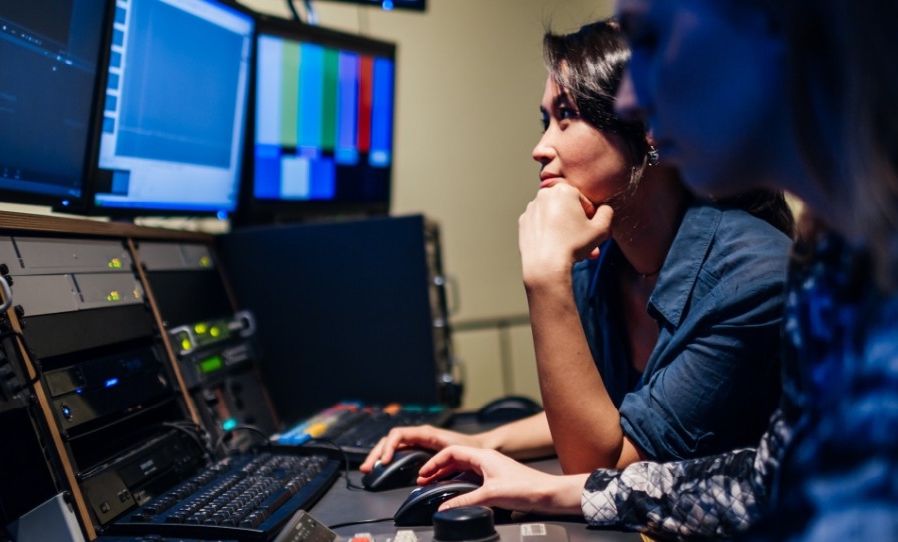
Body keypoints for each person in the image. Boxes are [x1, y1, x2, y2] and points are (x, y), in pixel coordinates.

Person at [417, 0, 898, 540]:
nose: (633, 97)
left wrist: (544, 276)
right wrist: (503, 456)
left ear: (772, 24)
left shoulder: (767, 271)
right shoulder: (831, 253)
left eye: (654, 39)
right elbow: (769, 480)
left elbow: (604, 453)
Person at [362, 19, 794, 478]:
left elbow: (599, 467)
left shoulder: (753, 277)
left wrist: (545, 278)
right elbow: (606, 419)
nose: (540, 147)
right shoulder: (608, 265)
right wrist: (480, 441)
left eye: (566, 116)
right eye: (546, 120)